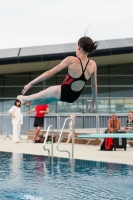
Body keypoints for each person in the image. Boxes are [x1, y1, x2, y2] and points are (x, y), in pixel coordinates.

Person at [17, 36, 98, 112]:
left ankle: (23, 99)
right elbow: (94, 86)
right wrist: (93, 101)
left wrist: (30, 83)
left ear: (78, 47)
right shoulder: (93, 64)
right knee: (49, 99)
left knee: (42, 94)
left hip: (63, 92)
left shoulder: (71, 60)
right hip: (74, 97)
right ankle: (30, 103)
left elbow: (49, 73)